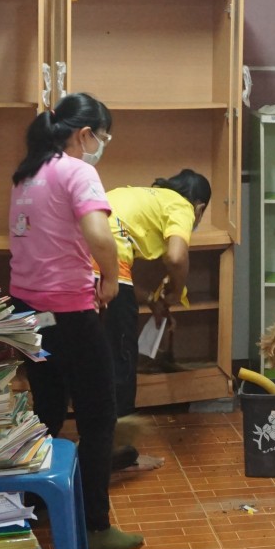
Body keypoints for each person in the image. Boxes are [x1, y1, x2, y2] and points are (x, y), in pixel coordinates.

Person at [8, 93, 143, 549]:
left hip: (27, 311)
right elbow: (100, 235)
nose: (100, 146)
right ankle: (95, 525)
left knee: (46, 409)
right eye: (101, 137)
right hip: (69, 311)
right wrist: (110, 278)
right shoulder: (77, 171)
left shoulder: (26, 174)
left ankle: (36, 502)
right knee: (98, 416)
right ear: (84, 134)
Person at [104, 170, 211, 419]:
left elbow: (118, 280)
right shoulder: (182, 206)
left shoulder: (149, 198)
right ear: (200, 208)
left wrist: (151, 299)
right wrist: (176, 290)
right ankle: (120, 431)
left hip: (79, 259)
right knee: (121, 353)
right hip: (105, 259)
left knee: (98, 346)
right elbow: (176, 257)